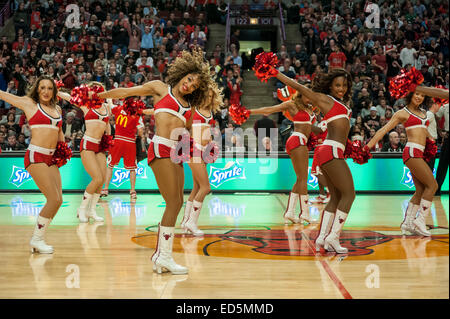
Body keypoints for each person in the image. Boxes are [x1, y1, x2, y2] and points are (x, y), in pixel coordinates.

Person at [98, 49, 211, 275]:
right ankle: (163, 257)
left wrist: (198, 147)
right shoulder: (161, 88)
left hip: (176, 153)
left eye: (195, 85)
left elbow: (185, 133)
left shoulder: (189, 109)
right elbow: (127, 92)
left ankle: (162, 256)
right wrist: (99, 97)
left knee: (177, 202)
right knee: (173, 202)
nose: (189, 85)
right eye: (189, 79)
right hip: (159, 148)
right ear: (182, 75)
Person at [272, 67, 355, 254]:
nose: (341, 88)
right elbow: (298, 86)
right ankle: (333, 237)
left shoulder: (338, 103)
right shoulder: (325, 100)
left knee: (335, 197)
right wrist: (275, 73)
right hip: (331, 150)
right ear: (330, 87)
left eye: (344, 85)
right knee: (349, 194)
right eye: (337, 85)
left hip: (331, 149)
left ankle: (322, 238)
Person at [0, 76, 64, 253]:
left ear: (54, 91)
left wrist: (63, 150)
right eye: (42, 87)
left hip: (51, 158)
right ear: (37, 89)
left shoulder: (57, 108)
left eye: (49, 88)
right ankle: (37, 239)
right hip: (36, 155)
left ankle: (39, 238)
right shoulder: (30, 104)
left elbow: (60, 133)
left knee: (58, 200)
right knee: (52, 199)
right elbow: (4, 95)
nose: (45, 91)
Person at [366, 89, 438, 236]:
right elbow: (383, 130)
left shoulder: (424, 112)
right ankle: (420, 220)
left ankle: (408, 223)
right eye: (417, 94)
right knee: (432, 185)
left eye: (422, 95)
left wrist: (432, 140)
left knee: (420, 190)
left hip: (420, 152)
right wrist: (366, 147)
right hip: (411, 152)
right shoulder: (402, 113)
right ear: (411, 94)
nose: (419, 97)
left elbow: (424, 132)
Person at [248, 87, 321, 224]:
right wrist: (248, 112)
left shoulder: (311, 108)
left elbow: (313, 127)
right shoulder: (292, 104)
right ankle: (305, 213)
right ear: (300, 93)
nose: (309, 98)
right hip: (297, 140)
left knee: (300, 179)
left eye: (311, 96)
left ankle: (290, 212)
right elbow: (269, 110)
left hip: (301, 142)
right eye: (306, 95)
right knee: (303, 179)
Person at [58, 82, 112, 223]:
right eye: (92, 90)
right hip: (88, 144)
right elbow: (70, 98)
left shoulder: (106, 107)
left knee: (102, 180)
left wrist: (109, 141)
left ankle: (92, 210)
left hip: (100, 145)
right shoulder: (87, 105)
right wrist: (56, 90)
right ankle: (81, 209)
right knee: (97, 178)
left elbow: (107, 126)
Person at [181, 83, 223, 236]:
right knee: (206, 188)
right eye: (206, 95)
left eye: (211, 96)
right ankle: (191, 222)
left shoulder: (210, 112)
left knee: (197, 188)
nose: (208, 98)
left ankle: (186, 221)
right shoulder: (193, 109)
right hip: (194, 149)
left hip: (204, 151)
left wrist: (210, 145)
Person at [101, 99, 146, 202]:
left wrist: (108, 98)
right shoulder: (137, 114)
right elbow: (140, 131)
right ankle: (133, 191)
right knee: (132, 168)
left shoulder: (119, 109)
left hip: (118, 140)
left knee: (110, 165)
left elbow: (110, 105)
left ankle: (105, 189)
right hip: (130, 142)